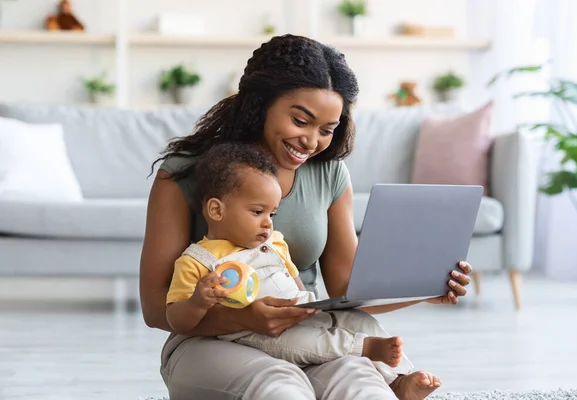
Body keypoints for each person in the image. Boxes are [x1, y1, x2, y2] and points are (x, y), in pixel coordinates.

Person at [140, 33, 473, 400]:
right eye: (301, 121)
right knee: (280, 387)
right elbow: (156, 308)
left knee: (361, 384)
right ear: (260, 103)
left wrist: (425, 289)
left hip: (307, 335)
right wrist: (244, 318)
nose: (312, 141)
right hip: (210, 341)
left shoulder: (328, 174)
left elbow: (348, 290)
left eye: (327, 130)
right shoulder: (185, 174)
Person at [165, 142, 413, 381]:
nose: (268, 222)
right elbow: (177, 320)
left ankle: (401, 376)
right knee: (308, 343)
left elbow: (296, 286)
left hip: (298, 311)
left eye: (272, 213)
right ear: (217, 211)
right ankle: (363, 347)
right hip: (255, 332)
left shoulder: (275, 243)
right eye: (257, 212)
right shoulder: (196, 261)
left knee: (359, 320)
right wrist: (198, 301)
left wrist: (315, 309)